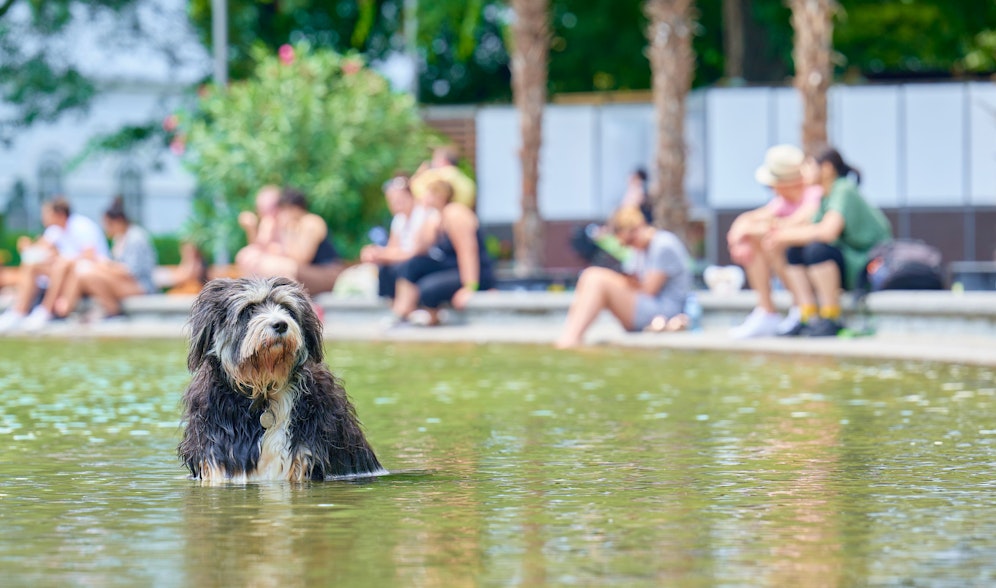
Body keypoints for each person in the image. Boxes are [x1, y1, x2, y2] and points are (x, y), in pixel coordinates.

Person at [763, 146, 892, 337]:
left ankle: (831, 317)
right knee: (795, 252)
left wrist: (784, 235)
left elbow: (827, 232)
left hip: (868, 261)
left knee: (817, 250)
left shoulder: (843, 189)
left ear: (827, 168)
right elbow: (810, 228)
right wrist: (783, 235)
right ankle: (807, 316)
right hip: (849, 258)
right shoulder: (825, 194)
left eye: (808, 165)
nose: (803, 171)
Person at [555, 206, 692, 349]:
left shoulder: (663, 245)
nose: (630, 246)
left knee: (597, 279)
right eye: (626, 244)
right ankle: (569, 336)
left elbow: (649, 290)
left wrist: (621, 282)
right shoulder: (640, 250)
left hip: (665, 312)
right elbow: (633, 279)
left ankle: (571, 339)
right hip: (647, 306)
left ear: (639, 227)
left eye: (630, 241)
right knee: (589, 276)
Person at [727, 145, 823, 339]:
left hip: (816, 266)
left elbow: (793, 224)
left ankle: (798, 306)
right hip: (798, 267)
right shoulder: (783, 202)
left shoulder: (814, 195)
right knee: (754, 238)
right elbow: (749, 219)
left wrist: (755, 229)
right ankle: (766, 310)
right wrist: (739, 236)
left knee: (770, 240)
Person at [391, 179, 494, 326]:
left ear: (439, 195)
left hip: (476, 273)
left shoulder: (455, 213)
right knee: (412, 265)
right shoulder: (438, 217)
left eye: (426, 193)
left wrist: (470, 288)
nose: (421, 197)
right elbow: (420, 248)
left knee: (428, 288)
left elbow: (468, 252)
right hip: (453, 268)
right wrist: (424, 212)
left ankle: (432, 318)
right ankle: (401, 312)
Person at [0, 196, 110, 332]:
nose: (43, 218)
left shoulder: (82, 226)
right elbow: (38, 251)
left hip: (89, 271)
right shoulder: (54, 230)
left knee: (61, 264)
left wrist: (62, 258)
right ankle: (18, 312)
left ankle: (45, 311)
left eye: (47, 214)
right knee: (31, 264)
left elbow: (89, 255)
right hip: (64, 271)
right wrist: (27, 248)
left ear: (59, 214)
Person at [53, 198, 158, 320]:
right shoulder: (120, 238)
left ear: (118, 221)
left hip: (140, 286)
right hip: (126, 281)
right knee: (84, 271)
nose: (106, 228)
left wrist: (106, 266)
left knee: (86, 273)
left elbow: (131, 271)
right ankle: (68, 307)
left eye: (107, 224)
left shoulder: (136, 238)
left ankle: (66, 309)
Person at [236, 187, 343, 296]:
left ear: (294, 208)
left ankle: (298, 303)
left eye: (283, 209)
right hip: (312, 272)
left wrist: (286, 232)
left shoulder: (311, 222)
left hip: (328, 275)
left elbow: (301, 259)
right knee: (256, 260)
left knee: (279, 266)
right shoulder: (295, 225)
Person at [359, 175, 435, 299]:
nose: (395, 203)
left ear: (411, 196)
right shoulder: (399, 219)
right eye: (391, 200)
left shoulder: (423, 214)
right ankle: (391, 305)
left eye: (399, 199)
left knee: (407, 267)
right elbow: (392, 248)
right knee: (384, 270)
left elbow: (415, 251)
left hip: (423, 260)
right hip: (407, 260)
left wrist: (381, 254)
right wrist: (375, 252)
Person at [409, 145, 477, 210]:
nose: (433, 162)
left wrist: (420, 172)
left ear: (444, 161)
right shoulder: (465, 179)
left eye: (435, 159)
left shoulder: (437, 175)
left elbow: (414, 187)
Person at [235, 185, 282, 273]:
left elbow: (262, 245)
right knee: (245, 255)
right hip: (269, 257)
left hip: (278, 259)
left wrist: (251, 228)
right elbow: (258, 245)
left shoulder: (276, 221)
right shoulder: (267, 221)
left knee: (249, 258)